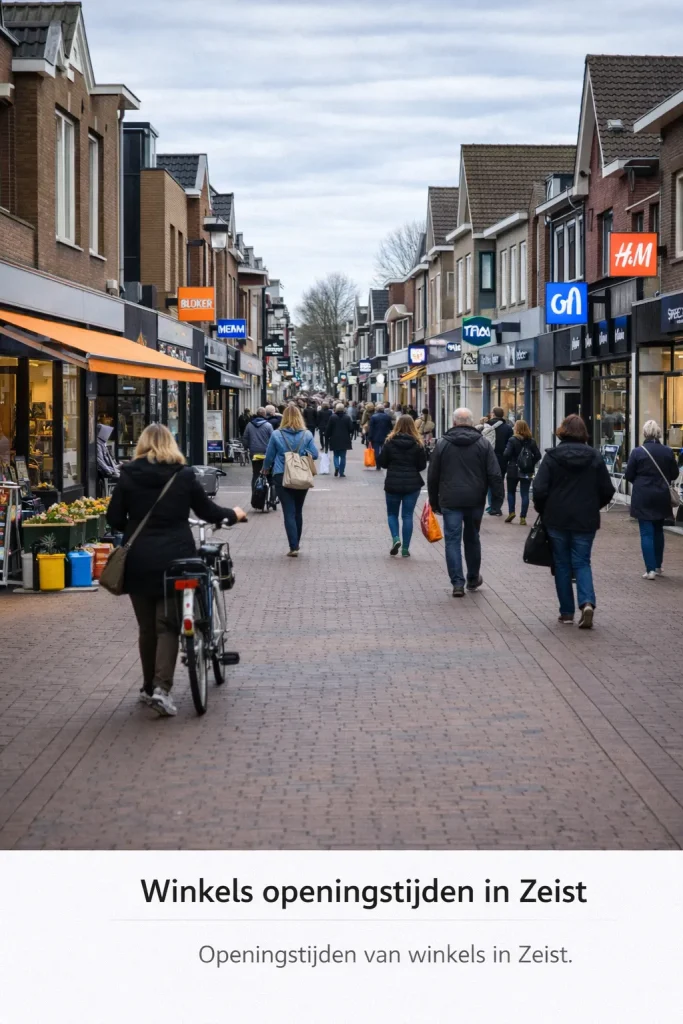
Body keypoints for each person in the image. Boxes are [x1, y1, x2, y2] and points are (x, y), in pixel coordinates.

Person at [106, 424, 246, 717]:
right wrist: (234, 514)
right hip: (177, 560)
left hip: (140, 560)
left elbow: (115, 518)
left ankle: (147, 687)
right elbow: (208, 512)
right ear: (172, 444)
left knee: (147, 628)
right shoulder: (183, 475)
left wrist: (134, 528)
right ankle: (161, 688)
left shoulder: (128, 474)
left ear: (142, 445)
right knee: (167, 625)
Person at [532, 414, 614, 629]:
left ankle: (566, 612)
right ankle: (587, 602)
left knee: (561, 563)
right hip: (585, 518)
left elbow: (539, 489)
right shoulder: (594, 457)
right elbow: (607, 489)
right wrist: (593, 505)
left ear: (563, 431)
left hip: (556, 518)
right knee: (582, 561)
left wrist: (543, 509)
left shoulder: (552, 456)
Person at [428, 408, 503, 597]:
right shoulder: (483, 444)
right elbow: (494, 474)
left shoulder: (443, 444)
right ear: (471, 422)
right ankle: (472, 578)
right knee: (472, 538)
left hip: (450, 499)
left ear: (453, 422)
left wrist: (433, 501)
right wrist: (497, 501)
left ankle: (457, 583)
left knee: (452, 541)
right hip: (475, 499)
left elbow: (433, 475)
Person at [624, 420, 679, 580]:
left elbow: (629, 475)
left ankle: (650, 570)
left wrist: (641, 482)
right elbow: (674, 474)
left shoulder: (637, 452)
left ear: (644, 433)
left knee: (646, 532)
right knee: (658, 530)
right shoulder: (667, 452)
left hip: (643, 495)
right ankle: (658, 565)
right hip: (661, 494)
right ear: (659, 434)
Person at [263, 404, 319, 557]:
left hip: (281, 474)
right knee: (298, 511)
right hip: (301, 475)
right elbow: (314, 455)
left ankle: (293, 546)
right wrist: (302, 453)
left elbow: (269, 455)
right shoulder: (306, 435)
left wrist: (265, 468)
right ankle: (296, 542)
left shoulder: (276, 434)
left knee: (288, 511)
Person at [379, 414, 427, 558]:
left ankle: (396, 538)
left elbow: (383, 462)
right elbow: (422, 465)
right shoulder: (418, 443)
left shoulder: (389, 442)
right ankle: (405, 548)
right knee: (407, 516)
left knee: (392, 514)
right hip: (412, 484)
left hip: (393, 482)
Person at [503, 420, 541, 525]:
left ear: (516, 428)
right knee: (525, 493)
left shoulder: (512, 440)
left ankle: (511, 512)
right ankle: (523, 517)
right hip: (528, 470)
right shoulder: (531, 441)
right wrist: (530, 463)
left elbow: (506, 454)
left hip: (513, 469)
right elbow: (538, 455)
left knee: (511, 492)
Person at [487, 407, 513, 516]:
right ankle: (497, 506)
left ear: (493, 414)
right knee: (500, 481)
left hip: (488, 457)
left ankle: (490, 505)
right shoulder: (507, 428)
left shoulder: (486, 426)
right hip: (502, 458)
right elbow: (510, 444)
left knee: (488, 481)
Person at [242, 407, 274, 484]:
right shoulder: (268, 425)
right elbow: (273, 439)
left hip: (254, 452)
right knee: (268, 473)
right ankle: (270, 491)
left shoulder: (249, 425)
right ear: (265, 414)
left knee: (256, 473)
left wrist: (246, 448)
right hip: (266, 453)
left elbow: (245, 438)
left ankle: (254, 492)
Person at [325, 402, 353, 477]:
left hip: (334, 438)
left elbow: (328, 428)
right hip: (344, 439)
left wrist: (327, 436)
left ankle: (336, 467)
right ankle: (341, 471)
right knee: (343, 456)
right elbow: (351, 428)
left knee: (336, 455)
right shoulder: (347, 417)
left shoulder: (332, 417)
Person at [97, 424, 120, 494]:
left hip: (109, 469)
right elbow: (100, 460)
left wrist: (116, 467)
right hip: (104, 471)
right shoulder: (98, 444)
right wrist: (110, 471)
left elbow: (109, 459)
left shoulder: (103, 444)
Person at [368, 403, 393, 469]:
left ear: (377, 409)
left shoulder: (373, 417)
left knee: (376, 451)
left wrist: (370, 437)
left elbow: (371, 428)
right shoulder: (387, 417)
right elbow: (391, 427)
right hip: (385, 436)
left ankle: (378, 464)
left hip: (375, 437)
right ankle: (382, 462)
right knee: (383, 450)